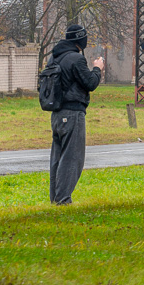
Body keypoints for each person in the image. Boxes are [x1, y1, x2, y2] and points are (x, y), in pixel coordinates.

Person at [49, 23, 103, 205]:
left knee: (57, 158)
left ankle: (55, 199)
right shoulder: (76, 59)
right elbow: (90, 83)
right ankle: (63, 200)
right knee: (73, 158)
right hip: (72, 113)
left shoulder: (54, 58)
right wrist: (97, 69)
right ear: (81, 39)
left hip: (56, 114)